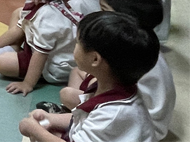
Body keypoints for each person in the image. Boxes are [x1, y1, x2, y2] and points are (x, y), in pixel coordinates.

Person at [50, 0, 175, 140]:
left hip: (145, 124)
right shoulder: (141, 46)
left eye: (104, 11)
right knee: (77, 72)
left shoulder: (132, 57)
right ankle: (75, 118)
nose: (100, 16)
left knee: (67, 95)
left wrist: (34, 129)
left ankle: (78, 119)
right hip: (137, 115)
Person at [18, 12, 157, 142]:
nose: (75, 46)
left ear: (95, 59)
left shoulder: (112, 114)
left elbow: (95, 120)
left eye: (78, 42)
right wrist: (50, 119)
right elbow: (86, 119)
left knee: (37, 132)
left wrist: (34, 130)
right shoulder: (113, 86)